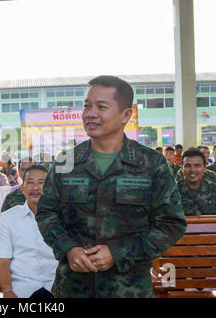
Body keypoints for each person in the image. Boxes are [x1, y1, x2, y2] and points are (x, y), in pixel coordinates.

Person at [36, 75, 186, 298]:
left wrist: (118, 254)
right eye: (87, 106)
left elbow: (171, 224)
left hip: (129, 289)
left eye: (101, 107)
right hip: (74, 288)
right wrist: (68, 248)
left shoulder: (151, 164)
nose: (90, 113)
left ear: (126, 115)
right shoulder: (65, 162)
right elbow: (47, 213)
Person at [0, 165, 58, 298]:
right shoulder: (9, 217)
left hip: (57, 288)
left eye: (41, 183)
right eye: (30, 182)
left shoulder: (63, 216)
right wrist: (7, 291)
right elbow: (3, 261)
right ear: (22, 189)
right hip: (22, 290)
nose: (36, 187)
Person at [177, 148, 216, 215]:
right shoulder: (172, 191)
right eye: (187, 166)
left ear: (205, 167)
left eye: (197, 166)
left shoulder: (215, 191)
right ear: (182, 168)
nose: (192, 169)